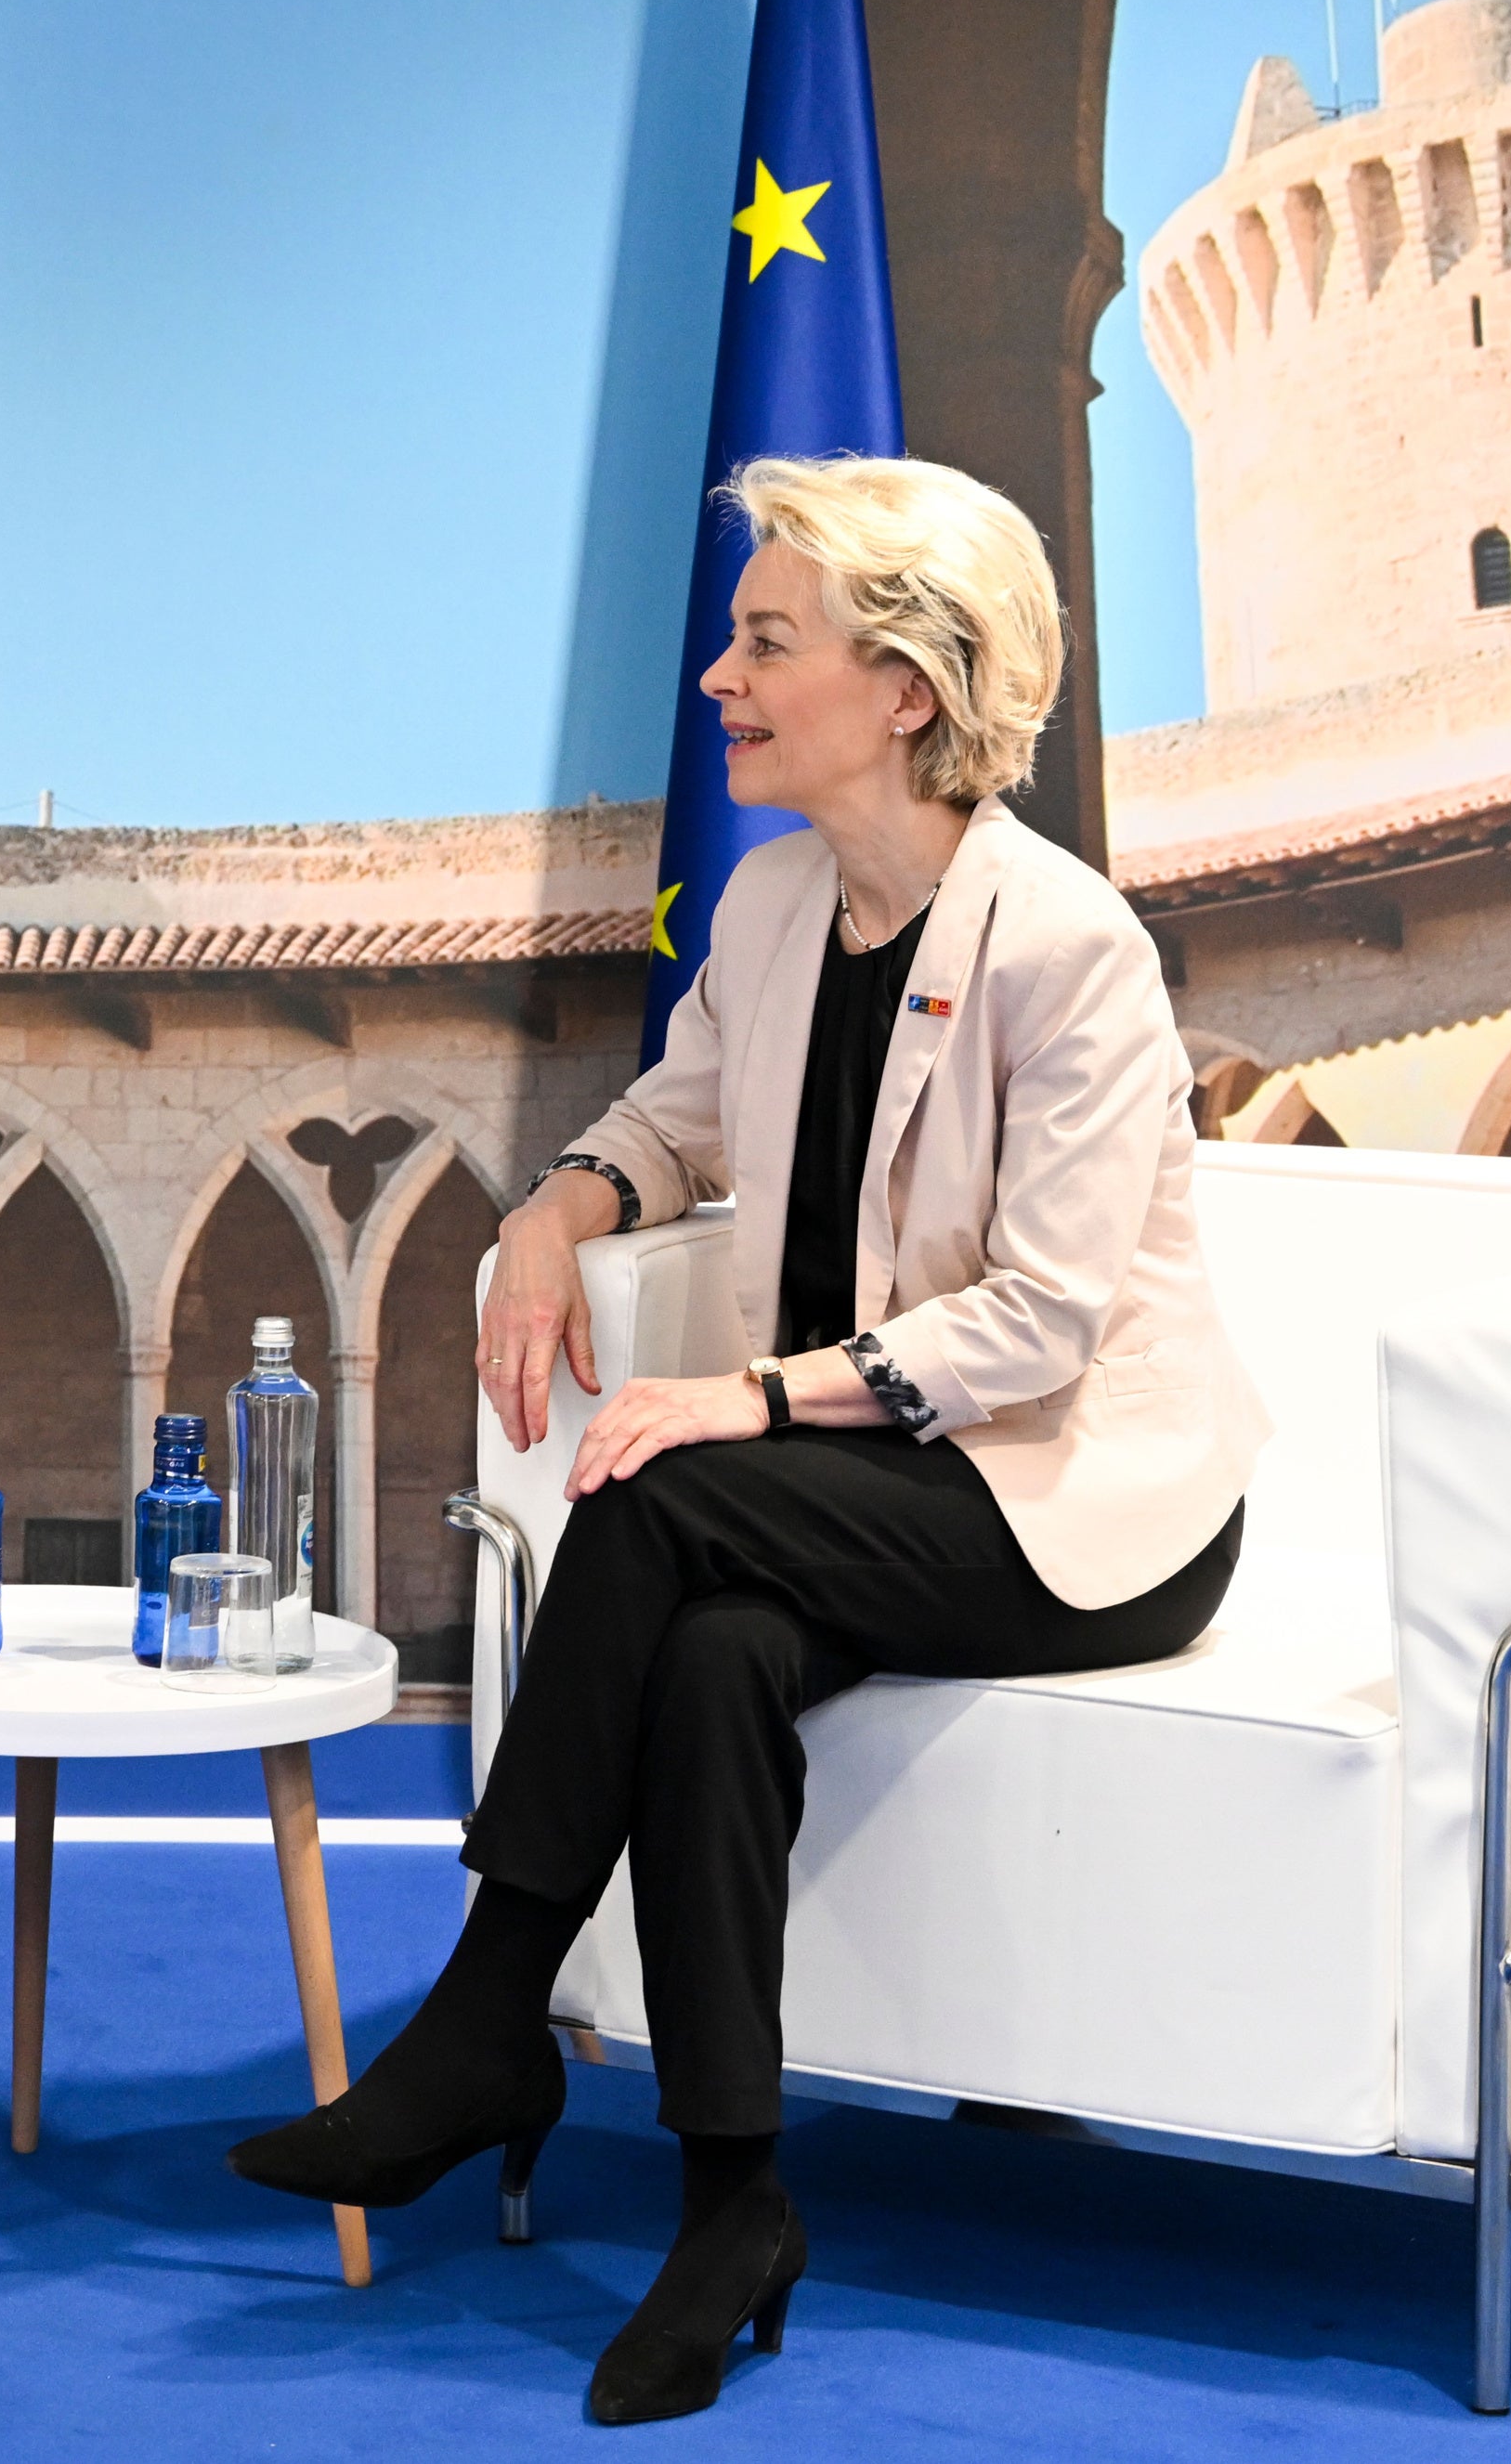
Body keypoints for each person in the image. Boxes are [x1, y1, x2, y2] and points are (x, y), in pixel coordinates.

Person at [226, 454, 1267, 2425]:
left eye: (761, 641)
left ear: (903, 686)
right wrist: (550, 1211)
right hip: (862, 1482)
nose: (717, 675)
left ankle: (481, 2016)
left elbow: (1041, 1320)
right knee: (706, 1654)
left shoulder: (1065, 947)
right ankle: (731, 2204)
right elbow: (673, 1124)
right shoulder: (783, 903)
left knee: (664, 1472)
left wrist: (746, 1393)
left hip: (1073, 1498)